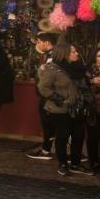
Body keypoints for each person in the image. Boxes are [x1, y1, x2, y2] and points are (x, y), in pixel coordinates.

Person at [37, 39, 89, 176]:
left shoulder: (79, 68)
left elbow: (83, 85)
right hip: (60, 109)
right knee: (62, 137)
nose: (76, 53)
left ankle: (76, 163)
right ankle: (63, 163)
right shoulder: (53, 69)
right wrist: (59, 99)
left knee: (78, 136)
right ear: (64, 54)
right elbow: (43, 87)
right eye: (73, 52)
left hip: (77, 108)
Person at [25, 32, 58, 160]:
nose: (37, 45)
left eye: (39, 42)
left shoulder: (53, 57)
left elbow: (48, 77)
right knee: (48, 122)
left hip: (49, 95)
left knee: (48, 122)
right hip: (48, 94)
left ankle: (46, 150)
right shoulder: (48, 55)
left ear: (47, 43)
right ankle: (47, 147)